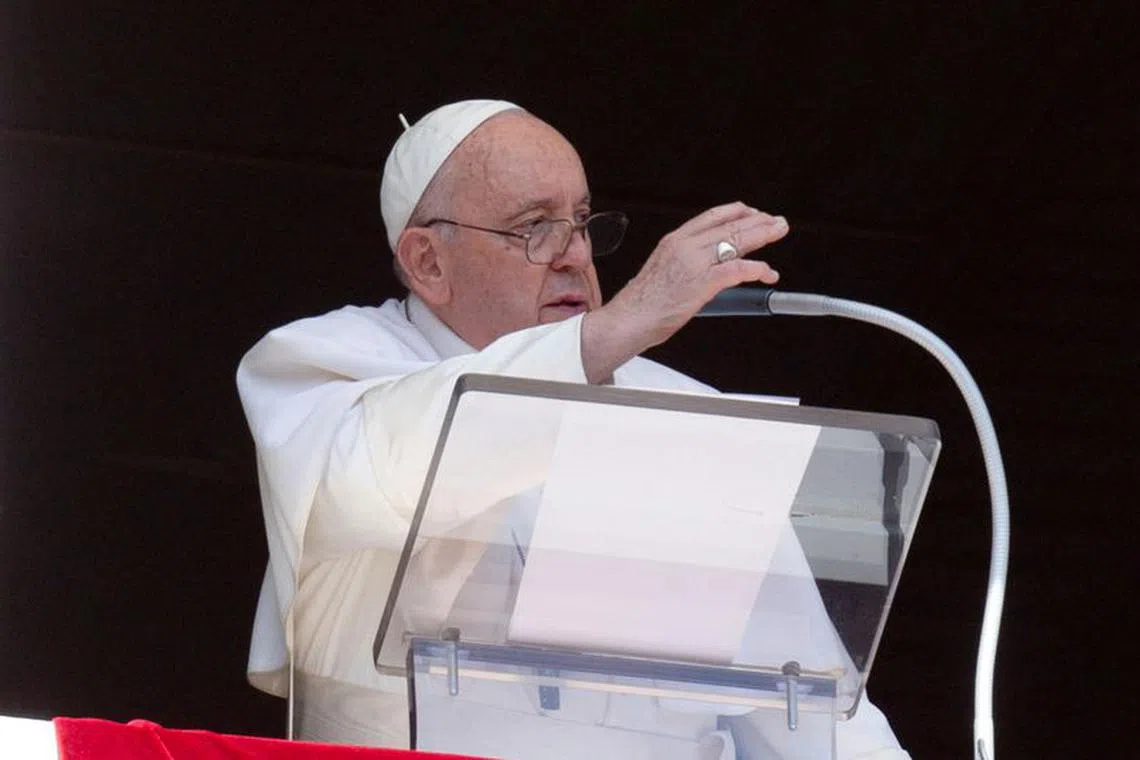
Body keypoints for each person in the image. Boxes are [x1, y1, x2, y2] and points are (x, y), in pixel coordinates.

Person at [237, 99, 910, 759]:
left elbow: (811, 702)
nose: (575, 256)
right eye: (535, 227)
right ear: (427, 262)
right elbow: (379, 479)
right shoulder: (324, 367)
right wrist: (609, 333)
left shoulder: (690, 414)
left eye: (581, 223)